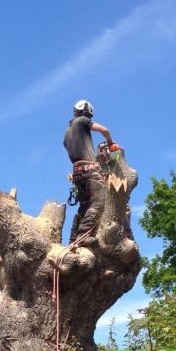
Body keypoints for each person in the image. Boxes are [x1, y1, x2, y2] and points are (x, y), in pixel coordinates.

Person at [63, 100, 118, 243]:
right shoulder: (82, 121)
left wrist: (97, 156)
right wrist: (111, 142)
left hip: (77, 173)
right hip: (89, 172)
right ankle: (83, 235)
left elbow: (80, 152)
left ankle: (73, 237)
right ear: (85, 112)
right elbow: (104, 130)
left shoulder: (67, 134)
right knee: (100, 201)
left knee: (84, 206)